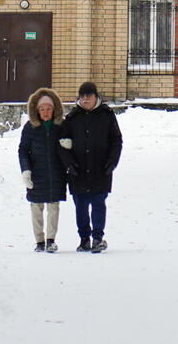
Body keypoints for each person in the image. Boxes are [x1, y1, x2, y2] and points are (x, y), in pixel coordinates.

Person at [57, 80, 121, 253]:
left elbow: (116, 141)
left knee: (99, 202)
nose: (85, 99)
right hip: (78, 171)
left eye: (89, 95)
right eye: (82, 96)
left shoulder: (106, 115)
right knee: (81, 205)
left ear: (95, 96)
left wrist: (112, 161)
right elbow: (62, 145)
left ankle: (98, 237)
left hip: (101, 169)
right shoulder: (72, 118)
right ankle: (84, 238)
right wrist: (69, 164)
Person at [17, 87, 67, 252]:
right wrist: (26, 170)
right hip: (36, 174)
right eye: (42, 109)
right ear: (37, 110)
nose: (46, 112)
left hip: (56, 174)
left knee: (54, 207)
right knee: (36, 208)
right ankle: (39, 240)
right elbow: (23, 150)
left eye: (49, 109)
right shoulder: (30, 128)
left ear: (55, 109)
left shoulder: (60, 126)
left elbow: (69, 145)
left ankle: (51, 239)